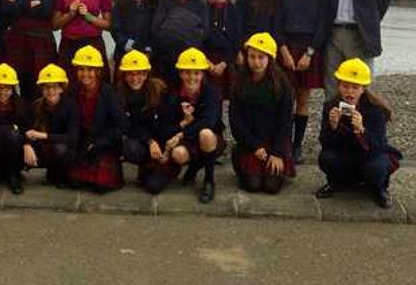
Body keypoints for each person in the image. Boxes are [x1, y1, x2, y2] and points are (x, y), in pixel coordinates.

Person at [316, 58, 402, 208]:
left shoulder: (374, 109)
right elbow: (325, 143)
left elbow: (379, 147)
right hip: (346, 154)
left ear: (363, 88)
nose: (349, 92)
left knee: (376, 168)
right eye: (345, 86)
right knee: (326, 158)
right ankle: (337, 182)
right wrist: (333, 126)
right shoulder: (331, 106)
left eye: (355, 87)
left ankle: (379, 188)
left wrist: (362, 130)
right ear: (338, 86)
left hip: (369, 156)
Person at [277, 0, 326, 163]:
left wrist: (309, 53)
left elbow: (322, 26)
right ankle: (284, 141)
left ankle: (297, 145)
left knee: (303, 99)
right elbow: (275, 24)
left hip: (308, 48)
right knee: (285, 99)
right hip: (286, 47)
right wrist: (284, 51)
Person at [229, 33, 295, 195]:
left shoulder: (283, 84)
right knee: (252, 185)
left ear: (270, 59)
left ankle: (275, 168)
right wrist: (254, 146)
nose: (256, 62)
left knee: (271, 187)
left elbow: (286, 121)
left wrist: (278, 152)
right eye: (252, 57)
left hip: (274, 144)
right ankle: (242, 163)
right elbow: (235, 121)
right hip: (250, 144)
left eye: (261, 57)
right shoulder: (239, 82)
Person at [160, 48, 224, 202]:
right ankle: (194, 167)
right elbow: (165, 125)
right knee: (178, 155)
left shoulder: (212, 92)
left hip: (211, 138)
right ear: (181, 73)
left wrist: (181, 133)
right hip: (187, 140)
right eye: (187, 72)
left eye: (197, 73)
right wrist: (181, 125)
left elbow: (208, 121)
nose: (192, 77)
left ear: (202, 74)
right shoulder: (172, 94)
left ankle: (209, 180)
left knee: (205, 134)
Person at [114, 50, 176, 194]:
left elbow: (167, 123)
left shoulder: (160, 91)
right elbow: (129, 126)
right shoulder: (119, 94)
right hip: (145, 143)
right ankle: (147, 167)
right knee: (129, 148)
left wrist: (162, 147)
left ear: (146, 74)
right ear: (124, 76)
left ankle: (161, 169)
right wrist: (149, 142)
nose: (135, 78)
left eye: (140, 73)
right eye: (130, 74)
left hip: (164, 144)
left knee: (154, 187)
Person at [66, 45, 126, 193]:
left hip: (104, 143)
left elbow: (122, 125)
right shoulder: (73, 91)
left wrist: (100, 143)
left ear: (98, 72)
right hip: (83, 142)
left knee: (101, 186)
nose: (85, 74)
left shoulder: (108, 93)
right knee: (73, 182)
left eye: (90, 70)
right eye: (81, 69)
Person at [151, 0, 209, 87]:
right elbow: (157, 29)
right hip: (167, 59)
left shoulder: (201, 4)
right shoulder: (165, 2)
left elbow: (204, 33)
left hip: (191, 60)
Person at [23, 64, 79, 188]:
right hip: (44, 148)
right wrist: (26, 144)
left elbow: (72, 137)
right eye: (46, 87)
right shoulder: (36, 106)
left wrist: (43, 135)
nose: (50, 91)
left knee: (60, 149)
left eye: (55, 87)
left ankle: (60, 176)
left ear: (62, 89)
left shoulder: (71, 106)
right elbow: (26, 128)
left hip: (66, 151)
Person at [0, 63, 31, 195]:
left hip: (17, 148)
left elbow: (27, 128)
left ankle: (13, 175)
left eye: (7, 88)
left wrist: (26, 143)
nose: (2, 92)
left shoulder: (22, 105)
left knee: (13, 136)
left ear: (13, 88)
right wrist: (8, 129)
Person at [111, 0, 159, 78]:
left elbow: (158, 28)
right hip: (124, 55)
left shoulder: (155, 2)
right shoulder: (120, 2)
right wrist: (128, 46)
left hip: (149, 57)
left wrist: (149, 50)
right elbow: (116, 28)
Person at [204, 0, 241, 98]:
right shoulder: (202, 9)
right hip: (205, 60)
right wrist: (206, 62)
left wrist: (224, 63)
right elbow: (196, 36)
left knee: (228, 98)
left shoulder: (234, 11)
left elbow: (236, 40)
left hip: (226, 61)